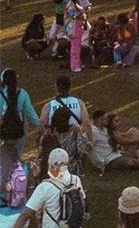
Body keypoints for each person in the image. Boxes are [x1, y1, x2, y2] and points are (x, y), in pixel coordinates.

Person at [12, 148, 85, 228]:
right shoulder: (76, 180)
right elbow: (82, 201)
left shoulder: (45, 187)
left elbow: (26, 214)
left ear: (49, 164)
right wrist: (37, 177)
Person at [0, 69, 39, 197]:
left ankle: (4, 185)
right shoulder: (23, 94)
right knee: (17, 158)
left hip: (4, 134)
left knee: (4, 159)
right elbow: (31, 114)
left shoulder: (1, 95)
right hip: (18, 133)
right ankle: (18, 184)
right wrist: (42, 126)